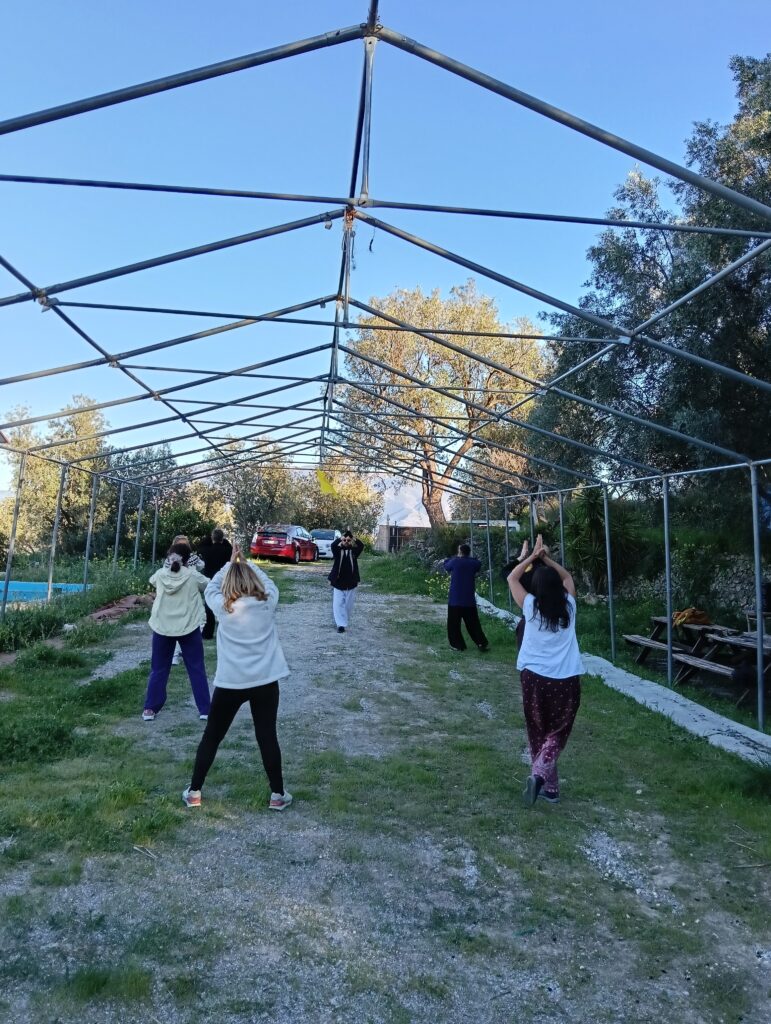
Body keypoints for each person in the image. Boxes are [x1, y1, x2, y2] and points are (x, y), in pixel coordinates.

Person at [182, 547, 292, 812]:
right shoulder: (268, 602)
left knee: (212, 736)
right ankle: (278, 795)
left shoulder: (223, 607)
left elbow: (211, 587)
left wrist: (229, 565)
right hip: (265, 681)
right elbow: (268, 582)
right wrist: (248, 564)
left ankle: (194, 792)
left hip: (230, 683)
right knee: (267, 736)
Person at [507, 534, 582, 807]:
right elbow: (568, 577)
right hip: (566, 679)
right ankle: (545, 782)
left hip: (533, 678)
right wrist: (547, 559)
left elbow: (512, 578)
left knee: (538, 729)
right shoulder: (570, 606)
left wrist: (531, 557)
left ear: (536, 587)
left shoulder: (530, 606)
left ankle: (545, 783)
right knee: (558, 731)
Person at [142, 542, 211, 723]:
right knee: (196, 669)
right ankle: (205, 709)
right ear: (188, 560)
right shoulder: (193, 576)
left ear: (169, 558)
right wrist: (193, 567)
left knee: (159, 669)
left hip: (162, 627)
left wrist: (167, 567)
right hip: (188, 627)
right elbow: (209, 585)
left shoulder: (160, 574)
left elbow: (152, 580)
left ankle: (150, 708)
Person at [166, 534, 207, 665]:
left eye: (184, 544)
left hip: (191, 595)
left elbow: (201, 566)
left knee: (198, 622)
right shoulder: (169, 560)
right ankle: (175, 655)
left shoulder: (192, 558)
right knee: (177, 625)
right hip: (177, 596)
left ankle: (186, 652)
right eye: (180, 544)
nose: (182, 546)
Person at [443, 543, 489, 653]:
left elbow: (446, 565)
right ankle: (481, 642)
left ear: (460, 552)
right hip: (469, 599)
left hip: (455, 599)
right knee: (473, 623)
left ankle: (457, 645)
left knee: (454, 624)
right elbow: (478, 564)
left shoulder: (455, 561)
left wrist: (454, 557)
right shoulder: (473, 563)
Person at [197, 528, 233, 640]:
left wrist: (211, 538)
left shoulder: (206, 550)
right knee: (226, 603)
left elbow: (200, 546)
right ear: (222, 539)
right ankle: (226, 631)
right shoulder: (227, 550)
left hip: (210, 579)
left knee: (209, 605)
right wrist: (222, 540)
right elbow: (229, 546)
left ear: (212, 538)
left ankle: (208, 632)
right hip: (224, 580)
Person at [328, 530, 364, 633]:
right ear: (342, 541)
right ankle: (340, 625)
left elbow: (361, 546)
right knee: (338, 604)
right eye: (345, 540)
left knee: (348, 605)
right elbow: (333, 545)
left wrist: (353, 538)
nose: (346, 542)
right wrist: (341, 538)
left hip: (351, 582)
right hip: (338, 582)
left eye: (348, 540)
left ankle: (344, 620)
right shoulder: (337, 551)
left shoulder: (354, 552)